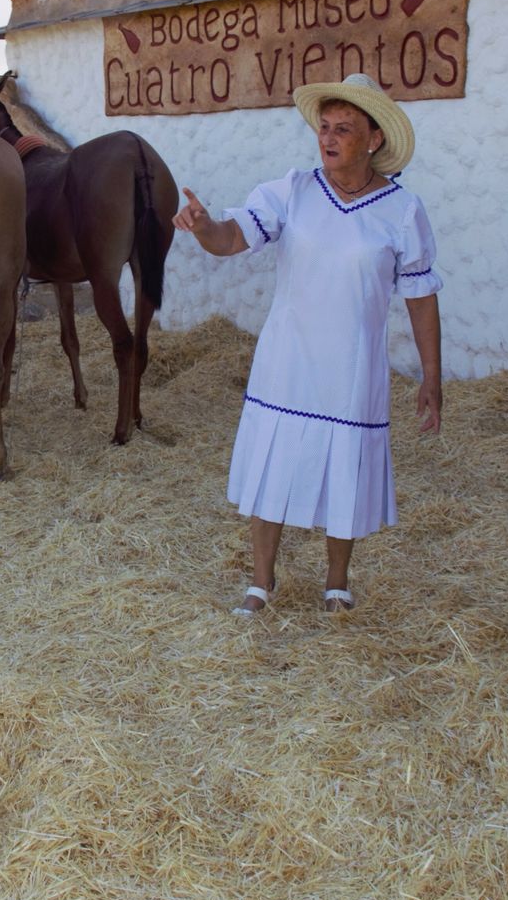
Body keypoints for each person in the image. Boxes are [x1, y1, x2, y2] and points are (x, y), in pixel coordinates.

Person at [173, 73, 443, 615]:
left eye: (344, 128)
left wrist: (432, 377)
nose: (329, 137)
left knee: (345, 465)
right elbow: (233, 238)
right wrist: (205, 227)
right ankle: (260, 582)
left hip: (353, 369)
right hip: (288, 361)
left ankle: (337, 582)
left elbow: (420, 295)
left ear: (373, 140)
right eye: (324, 127)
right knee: (275, 464)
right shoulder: (292, 191)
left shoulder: (402, 211)